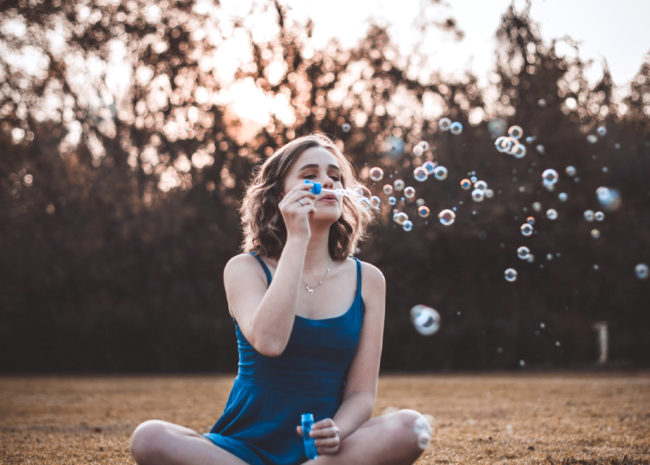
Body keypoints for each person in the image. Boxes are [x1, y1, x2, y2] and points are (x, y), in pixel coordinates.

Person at [129, 134, 431, 465]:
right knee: (149, 437)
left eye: (335, 175)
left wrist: (339, 430)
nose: (326, 182)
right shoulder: (246, 269)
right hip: (241, 452)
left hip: (321, 456)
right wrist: (298, 237)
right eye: (309, 175)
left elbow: (361, 394)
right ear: (279, 195)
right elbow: (270, 341)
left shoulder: (369, 280)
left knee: (410, 426)